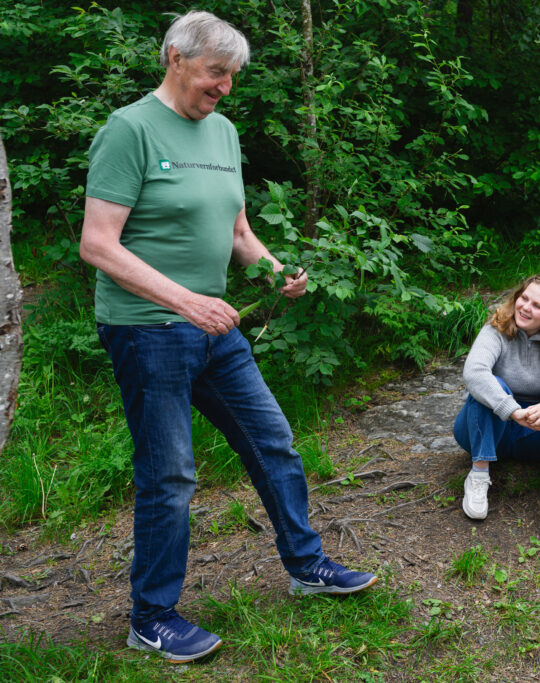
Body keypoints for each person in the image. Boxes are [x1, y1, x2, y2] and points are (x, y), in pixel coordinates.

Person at [79, 11, 375, 664]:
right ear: (174, 58)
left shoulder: (222, 132)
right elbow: (97, 244)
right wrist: (188, 301)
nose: (224, 88)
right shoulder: (128, 130)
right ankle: (151, 615)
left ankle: (306, 566)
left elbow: (238, 232)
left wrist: (275, 272)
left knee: (273, 439)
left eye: (232, 76)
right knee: (171, 474)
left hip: (213, 329)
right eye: (216, 73)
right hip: (147, 331)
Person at [453, 274, 540, 552]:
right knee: (494, 385)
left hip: (531, 432)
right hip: (483, 430)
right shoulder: (496, 329)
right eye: (524, 298)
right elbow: (474, 372)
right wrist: (512, 409)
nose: (526, 307)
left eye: (537, 305)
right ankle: (479, 476)